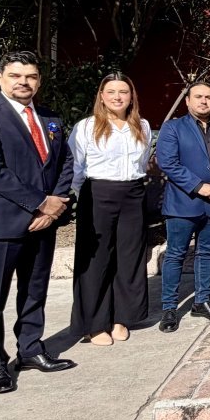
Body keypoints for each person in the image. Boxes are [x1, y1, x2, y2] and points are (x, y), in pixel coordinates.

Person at [0, 51, 76, 393]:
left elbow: (64, 162)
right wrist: (40, 203)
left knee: (34, 291)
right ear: (0, 78)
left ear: (38, 81)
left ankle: (30, 349)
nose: (24, 82)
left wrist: (54, 208)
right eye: (16, 75)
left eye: (30, 76)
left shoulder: (49, 118)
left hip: (44, 223)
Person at [69, 73, 152, 346]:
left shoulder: (142, 125)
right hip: (98, 194)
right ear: (101, 96)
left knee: (130, 258)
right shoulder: (86, 127)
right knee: (96, 260)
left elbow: (143, 164)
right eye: (111, 91)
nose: (118, 97)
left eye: (123, 92)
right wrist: (81, 198)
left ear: (132, 97)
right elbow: (76, 168)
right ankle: (95, 324)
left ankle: (122, 318)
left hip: (133, 195)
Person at [155, 81, 210, 332]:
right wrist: (198, 186)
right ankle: (170, 308)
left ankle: (201, 301)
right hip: (183, 204)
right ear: (188, 101)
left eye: (209, 97)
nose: (204, 101)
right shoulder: (173, 128)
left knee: (207, 253)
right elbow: (168, 162)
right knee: (175, 256)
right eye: (199, 97)